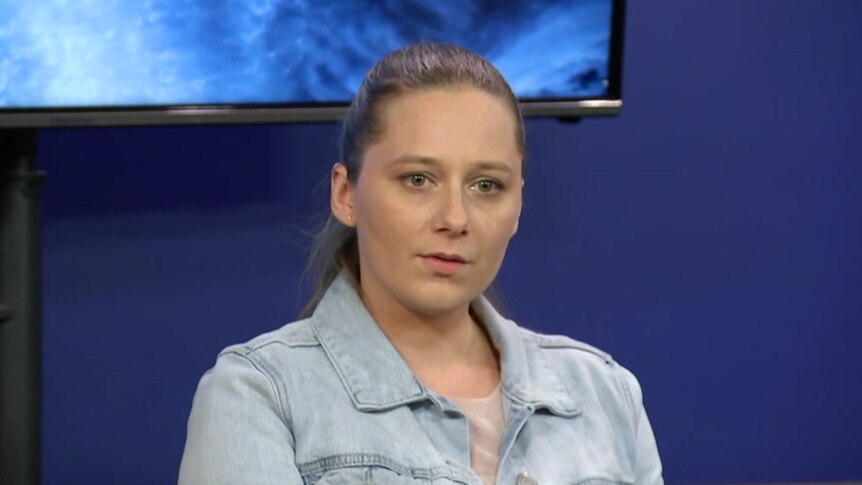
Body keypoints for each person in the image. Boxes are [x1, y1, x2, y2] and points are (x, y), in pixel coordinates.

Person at [178, 43, 663, 485]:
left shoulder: (605, 393)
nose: (455, 218)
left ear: (518, 207)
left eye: (486, 185)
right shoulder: (260, 397)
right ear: (346, 194)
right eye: (417, 179)